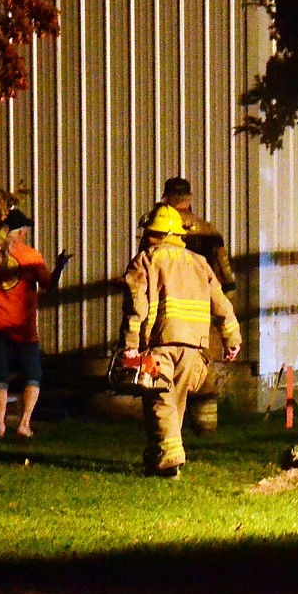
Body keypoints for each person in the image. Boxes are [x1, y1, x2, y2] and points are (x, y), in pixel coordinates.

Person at [119, 205, 241, 478]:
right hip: (195, 347)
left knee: (159, 399)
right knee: (175, 401)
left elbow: (136, 308)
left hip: (159, 343)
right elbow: (221, 304)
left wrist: (129, 344)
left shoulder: (146, 261)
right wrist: (232, 338)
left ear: (154, 234)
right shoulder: (198, 262)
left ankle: (172, 457)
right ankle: (160, 455)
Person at [141, 176, 238, 434]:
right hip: (203, 310)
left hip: (166, 314)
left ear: (166, 198)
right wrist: (228, 323)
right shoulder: (209, 230)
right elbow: (225, 277)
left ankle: (168, 433)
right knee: (201, 367)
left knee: (162, 377)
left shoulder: (158, 230)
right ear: (190, 198)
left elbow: (144, 272)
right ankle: (206, 426)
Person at [0, 209, 71, 438]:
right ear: (21, 232)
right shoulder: (30, 256)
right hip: (23, 326)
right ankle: (24, 423)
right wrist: (59, 267)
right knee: (33, 374)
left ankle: (0, 426)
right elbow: (47, 284)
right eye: (25, 231)